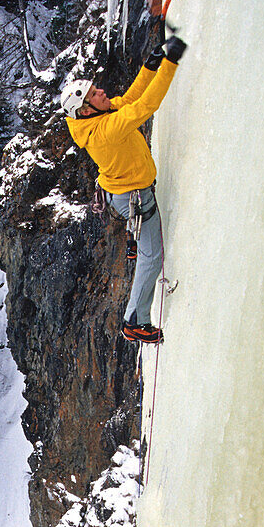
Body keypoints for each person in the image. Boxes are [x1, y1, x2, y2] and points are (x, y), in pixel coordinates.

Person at [61, 36, 187, 344]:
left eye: (96, 88)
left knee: (145, 245)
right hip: (134, 198)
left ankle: (135, 240)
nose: (102, 91)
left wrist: (150, 66)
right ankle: (135, 320)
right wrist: (170, 64)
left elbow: (129, 99)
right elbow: (146, 106)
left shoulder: (97, 118)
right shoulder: (105, 130)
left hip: (121, 194)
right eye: (94, 93)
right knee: (152, 257)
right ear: (87, 110)